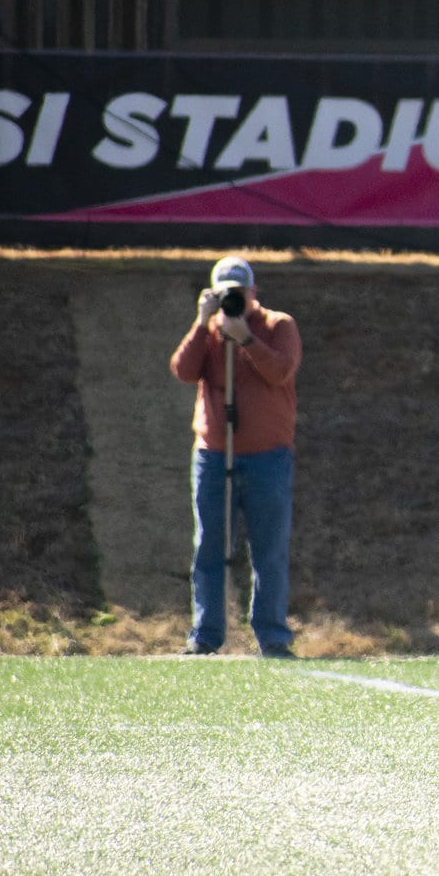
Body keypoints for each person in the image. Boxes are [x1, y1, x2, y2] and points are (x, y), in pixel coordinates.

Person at [170, 257, 303, 659]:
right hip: (213, 455)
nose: (234, 299)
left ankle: (273, 636)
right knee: (208, 546)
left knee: (269, 548)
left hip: (268, 457)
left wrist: (246, 338)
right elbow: (183, 370)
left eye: (239, 293)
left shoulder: (279, 326)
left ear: (253, 293)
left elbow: (280, 372)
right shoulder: (209, 330)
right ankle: (205, 634)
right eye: (226, 291)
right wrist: (201, 322)